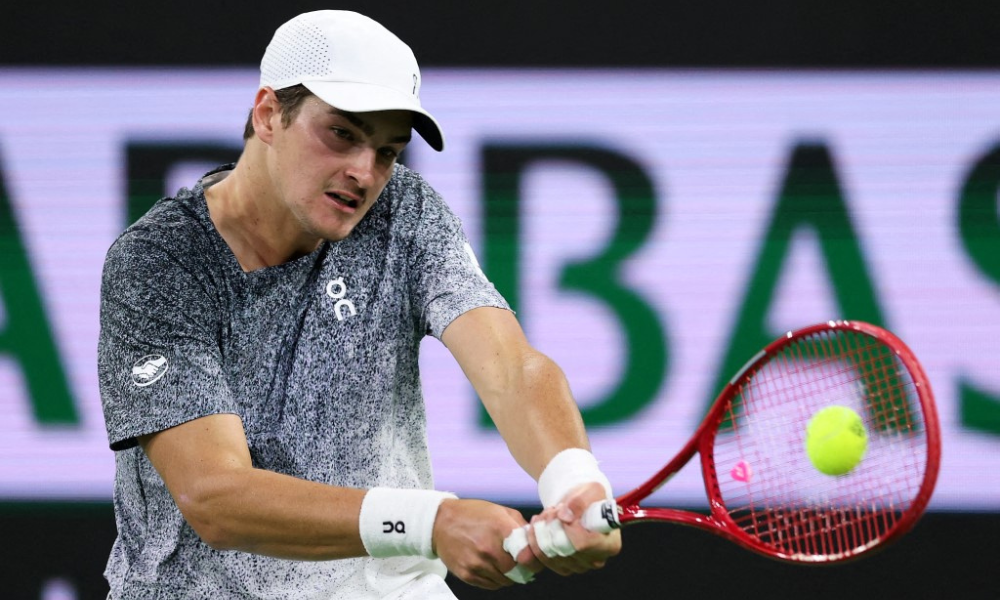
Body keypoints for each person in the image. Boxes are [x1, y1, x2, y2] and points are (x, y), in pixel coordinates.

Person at [98, 9, 620, 599]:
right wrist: (432, 521)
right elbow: (215, 496)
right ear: (268, 114)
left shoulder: (405, 212)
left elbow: (510, 365)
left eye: (388, 151)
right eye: (342, 134)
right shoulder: (160, 261)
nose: (364, 174)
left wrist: (573, 477)